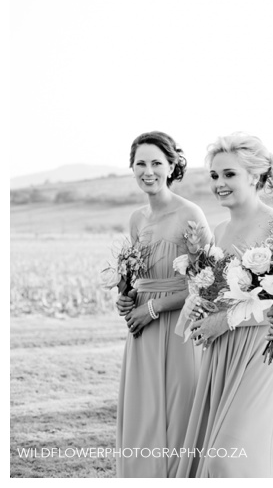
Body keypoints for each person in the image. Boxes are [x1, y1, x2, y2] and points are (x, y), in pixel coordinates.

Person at [176, 133, 273, 477]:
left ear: (255, 176)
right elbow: (222, 291)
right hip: (222, 351)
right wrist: (203, 306)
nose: (219, 183)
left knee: (231, 460)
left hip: (262, 350)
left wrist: (224, 320)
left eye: (229, 174)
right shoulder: (220, 229)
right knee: (216, 456)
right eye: (214, 175)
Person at [116, 131, 209, 477]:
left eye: (156, 163)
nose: (148, 171)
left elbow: (204, 284)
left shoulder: (190, 214)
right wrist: (126, 297)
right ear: (132, 168)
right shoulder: (137, 219)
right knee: (143, 413)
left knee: (177, 414)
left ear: (172, 166)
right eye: (140, 163)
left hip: (177, 330)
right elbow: (136, 276)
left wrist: (152, 309)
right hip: (141, 332)